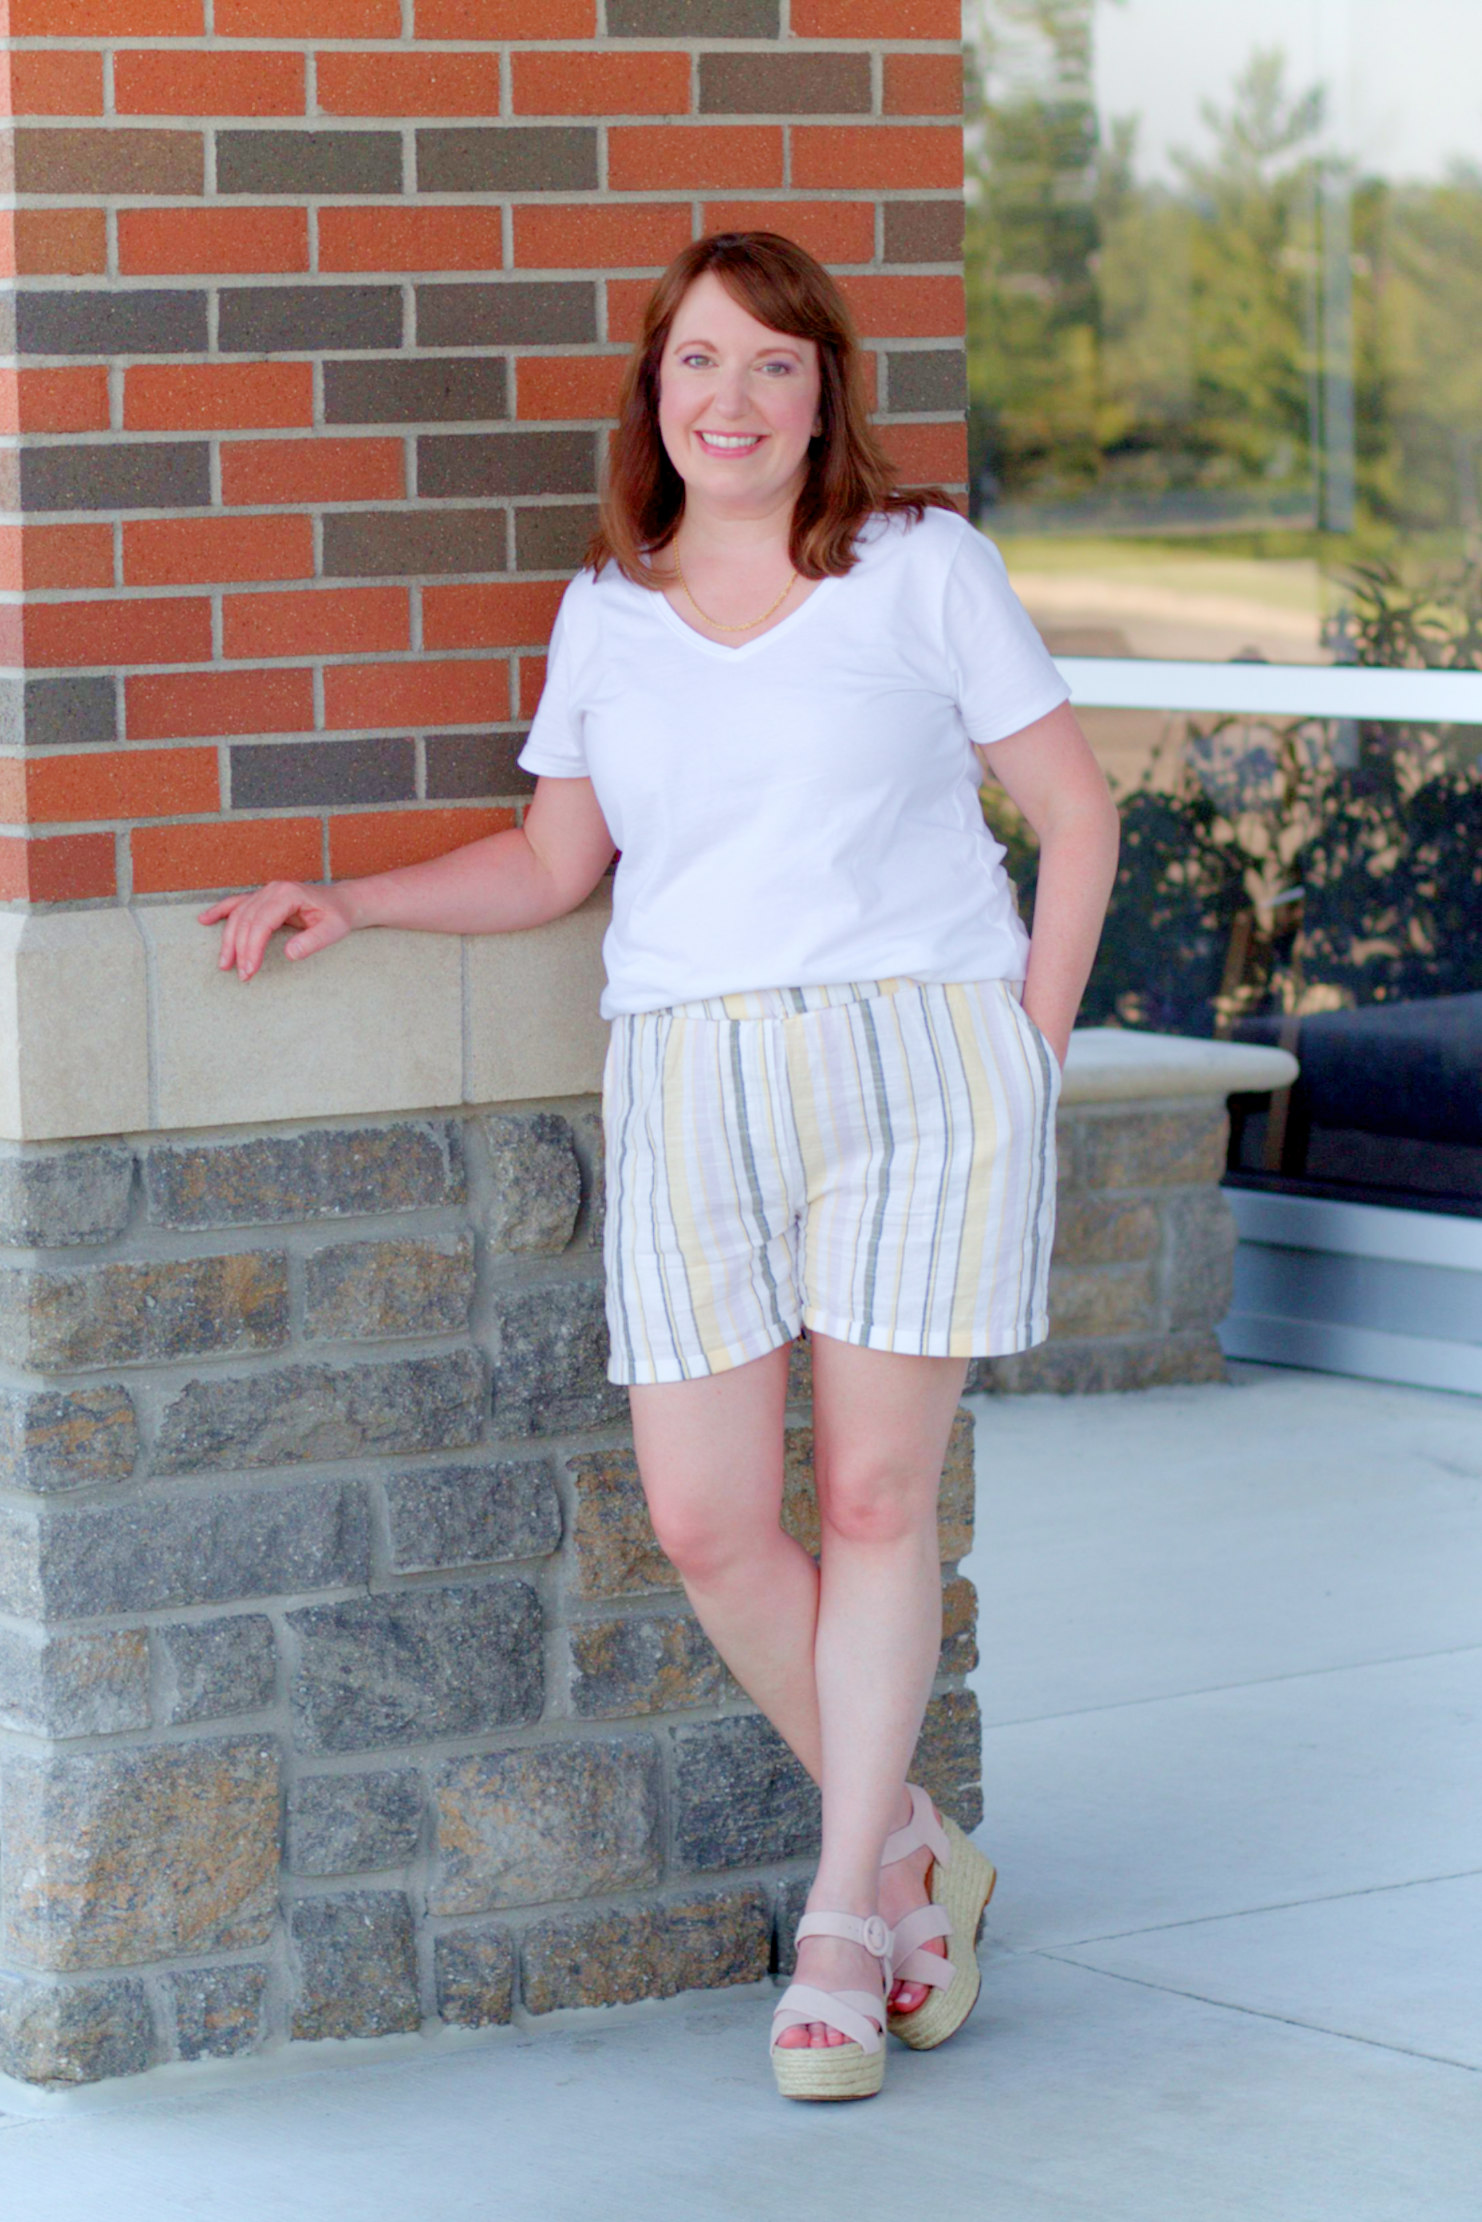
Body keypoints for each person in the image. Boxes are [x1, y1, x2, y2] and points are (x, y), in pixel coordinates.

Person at [204, 231, 1120, 2105]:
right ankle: (905, 1839)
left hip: (915, 1060)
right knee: (708, 1518)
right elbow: (556, 865)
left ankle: (843, 1933)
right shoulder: (606, 610)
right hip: (692, 1073)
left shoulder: (919, 569)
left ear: (821, 397)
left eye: (774, 368)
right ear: (657, 392)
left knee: (875, 1501)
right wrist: (349, 898)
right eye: (700, 363)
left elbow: (1074, 814)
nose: (733, 400)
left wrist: (1019, 1060)